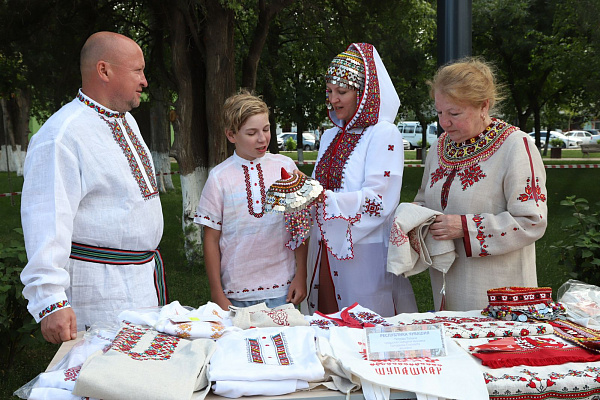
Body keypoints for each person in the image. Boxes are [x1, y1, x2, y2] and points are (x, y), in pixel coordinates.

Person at [20, 32, 166, 344]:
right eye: (137, 71)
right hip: (98, 289)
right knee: (102, 382)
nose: (145, 81)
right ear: (104, 70)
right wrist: (51, 301)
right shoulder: (62, 135)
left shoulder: (126, 121)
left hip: (142, 280)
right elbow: (46, 219)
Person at [414, 57, 548, 311]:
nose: (444, 122)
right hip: (446, 284)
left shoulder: (516, 146)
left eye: (454, 113)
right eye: (440, 112)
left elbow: (532, 220)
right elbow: (424, 199)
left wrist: (465, 226)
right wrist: (412, 218)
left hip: (499, 293)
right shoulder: (439, 147)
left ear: (484, 106)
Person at [305, 43, 418, 317]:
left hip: (363, 252)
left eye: (341, 92)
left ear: (363, 92)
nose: (333, 99)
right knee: (325, 328)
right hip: (322, 249)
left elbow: (381, 199)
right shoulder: (330, 136)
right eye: (329, 92)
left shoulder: (383, 133)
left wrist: (323, 199)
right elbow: (316, 187)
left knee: (364, 327)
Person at [194, 90, 307, 310]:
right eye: (252, 132)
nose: (262, 138)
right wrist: (217, 293)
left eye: (266, 129)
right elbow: (211, 239)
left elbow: (299, 226)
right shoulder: (220, 177)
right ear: (231, 135)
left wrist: (301, 275)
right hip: (236, 293)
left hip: (283, 290)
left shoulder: (286, 167)